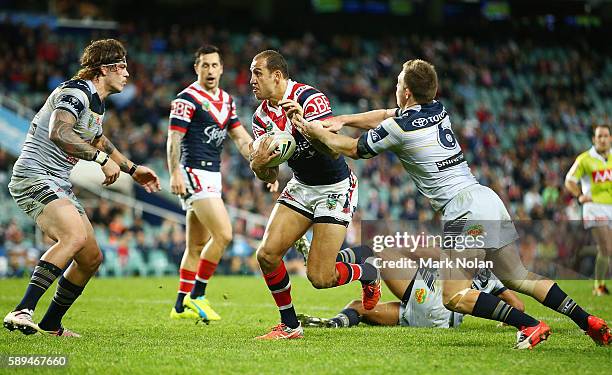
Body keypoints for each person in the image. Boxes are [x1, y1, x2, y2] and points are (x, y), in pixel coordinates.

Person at [291, 58, 610, 349]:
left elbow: (349, 148)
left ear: (406, 92)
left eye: (399, 83)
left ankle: (529, 325)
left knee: (454, 296)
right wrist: (343, 118)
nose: (396, 88)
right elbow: (383, 115)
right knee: (519, 276)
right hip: (486, 198)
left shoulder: (400, 128)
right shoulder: (437, 109)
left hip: (463, 209)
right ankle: (588, 321)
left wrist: (312, 129)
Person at [3, 39, 161, 337]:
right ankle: (22, 310)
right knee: (73, 236)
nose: (127, 73)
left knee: (91, 259)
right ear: (104, 69)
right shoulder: (76, 91)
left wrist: (132, 169)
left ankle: (51, 325)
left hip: (58, 180)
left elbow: (99, 139)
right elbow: (59, 131)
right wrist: (101, 160)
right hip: (34, 175)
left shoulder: (97, 103)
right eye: (122, 66)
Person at [248, 50, 380, 340]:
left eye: (257, 73)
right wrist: (259, 167)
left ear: (277, 76)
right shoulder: (260, 118)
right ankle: (290, 326)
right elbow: (270, 174)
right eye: (251, 74)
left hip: (334, 187)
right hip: (301, 186)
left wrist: (305, 129)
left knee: (320, 278)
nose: (251, 80)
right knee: (267, 255)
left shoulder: (310, 99)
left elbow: (332, 149)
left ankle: (367, 272)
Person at [167, 45, 273, 321]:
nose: (210, 70)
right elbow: (173, 139)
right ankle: (197, 295)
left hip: (213, 175)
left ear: (221, 68)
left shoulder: (226, 100)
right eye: (205, 65)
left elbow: (239, 137)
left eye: (215, 65)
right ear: (197, 68)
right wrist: (175, 172)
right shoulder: (186, 98)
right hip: (193, 173)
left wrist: (262, 163)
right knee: (224, 234)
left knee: (195, 246)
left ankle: (180, 305)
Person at [298, 246, 525, 329]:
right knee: (358, 307)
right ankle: (333, 324)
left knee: (376, 252)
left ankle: (327, 260)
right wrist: (505, 322)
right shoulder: (489, 274)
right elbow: (518, 305)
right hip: (436, 321)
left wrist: (401, 254)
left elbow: (420, 252)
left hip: (433, 299)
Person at [565, 124, 611, 296]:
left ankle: (598, 282)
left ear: (610, 138)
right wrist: (579, 196)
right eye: (599, 136)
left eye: (606, 136)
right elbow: (569, 180)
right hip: (594, 207)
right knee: (607, 246)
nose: (603, 139)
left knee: (606, 249)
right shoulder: (584, 159)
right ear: (594, 139)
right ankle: (599, 286)